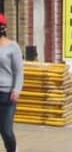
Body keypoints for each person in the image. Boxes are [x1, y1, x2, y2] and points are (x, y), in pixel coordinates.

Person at [0, 14, 22, 152]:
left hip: (7, 95)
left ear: (4, 28)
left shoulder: (13, 47)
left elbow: (18, 71)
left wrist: (16, 89)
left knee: (6, 131)